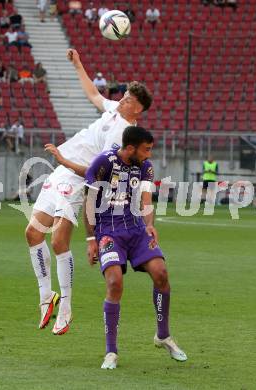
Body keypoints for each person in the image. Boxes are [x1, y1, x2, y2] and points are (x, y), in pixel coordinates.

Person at [24, 48, 152, 336]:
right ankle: (47, 298)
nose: (123, 100)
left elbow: (98, 171)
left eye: (129, 99)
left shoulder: (124, 135)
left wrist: (64, 159)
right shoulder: (114, 110)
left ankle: (66, 309)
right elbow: (94, 94)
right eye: (124, 96)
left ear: (137, 110)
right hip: (61, 172)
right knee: (32, 233)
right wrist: (79, 63)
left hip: (76, 178)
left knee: (58, 240)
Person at [83, 126, 187, 369]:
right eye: (146, 149)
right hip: (108, 232)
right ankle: (111, 351)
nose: (149, 154)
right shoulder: (104, 163)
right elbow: (88, 203)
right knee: (114, 283)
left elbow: (146, 200)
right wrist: (91, 240)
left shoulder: (145, 167)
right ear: (130, 148)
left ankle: (163, 335)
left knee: (161, 274)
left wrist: (150, 225)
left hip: (137, 230)